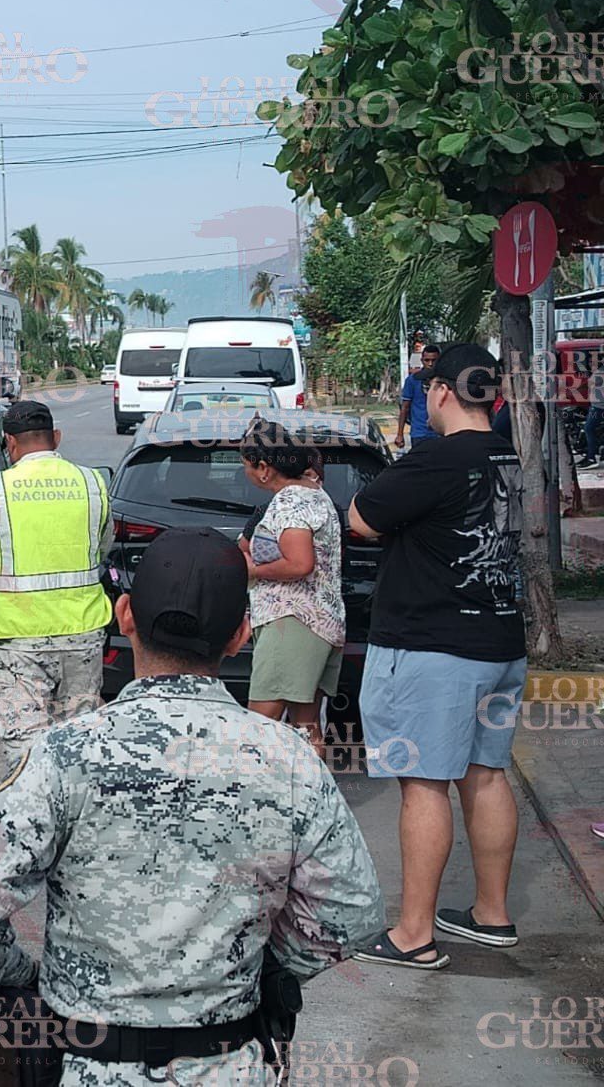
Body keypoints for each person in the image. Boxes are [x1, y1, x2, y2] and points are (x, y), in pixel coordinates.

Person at [0, 527, 382, 1085]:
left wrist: (6, 986)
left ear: (124, 616)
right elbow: (351, 912)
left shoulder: (67, 753)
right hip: (230, 1062)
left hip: (81, 1064)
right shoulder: (289, 759)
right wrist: (258, 970)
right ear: (241, 635)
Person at [349, 343, 526, 970]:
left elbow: (362, 518)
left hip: (432, 646)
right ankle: (491, 913)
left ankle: (413, 934)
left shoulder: (435, 459)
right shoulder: (507, 454)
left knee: (423, 783)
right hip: (500, 641)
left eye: (428, 387)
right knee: (486, 772)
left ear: (443, 392)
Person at [0, 398, 110, 771]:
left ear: (8, 443)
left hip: (17, 637)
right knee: (80, 739)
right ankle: (77, 819)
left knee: (25, 743)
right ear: (55, 438)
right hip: (83, 630)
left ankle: (34, 819)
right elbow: (101, 549)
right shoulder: (92, 483)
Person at [239, 417, 345, 762]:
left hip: (293, 623)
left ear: (264, 468)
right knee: (306, 723)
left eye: (247, 466)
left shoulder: (290, 501)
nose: (247, 474)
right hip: (320, 623)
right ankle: (311, 800)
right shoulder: (314, 492)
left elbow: (300, 563)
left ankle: (251, 800)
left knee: (260, 724)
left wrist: (253, 570)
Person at [395, 342, 440, 449]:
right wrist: (400, 434)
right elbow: (405, 408)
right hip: (419, 433)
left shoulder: (445, 380)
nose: (430, 364)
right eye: (427, 360)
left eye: (434, 360)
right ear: (421, 360)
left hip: (440, 434)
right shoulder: (412, 380)